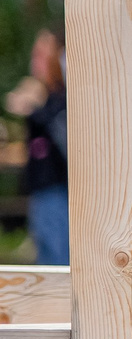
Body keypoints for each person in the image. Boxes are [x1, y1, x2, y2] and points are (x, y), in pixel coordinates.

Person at [7, 28, 69, 266]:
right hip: (41, 195)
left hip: (58, 193)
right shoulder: (42, 98)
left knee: (58, 264)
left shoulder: (60, 101)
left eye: (42, 56)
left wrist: (36, 108)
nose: (36, 62)